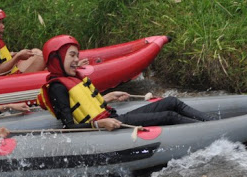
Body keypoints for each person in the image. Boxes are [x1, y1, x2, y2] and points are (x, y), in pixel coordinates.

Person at [37, 35, 216, 131]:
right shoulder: (57, 87)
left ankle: (212, 122)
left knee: (171, 102)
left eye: (77, 54)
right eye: (72, 55)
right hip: (108, 125)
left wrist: (107, 98)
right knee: (169, 115)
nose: (77, 60)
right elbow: (69, 126)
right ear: (56, 58)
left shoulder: (72, 77)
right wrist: (99, 124)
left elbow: (87, 104)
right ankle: (211, 130)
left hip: (112, 117)